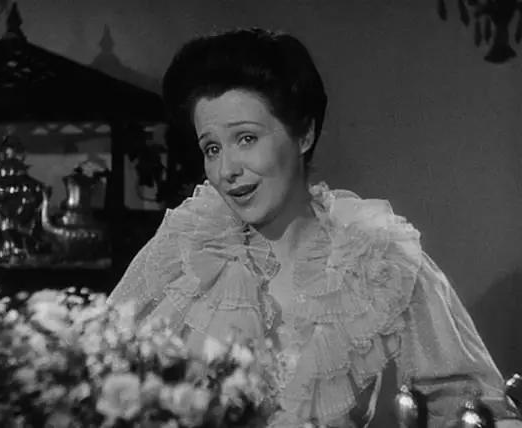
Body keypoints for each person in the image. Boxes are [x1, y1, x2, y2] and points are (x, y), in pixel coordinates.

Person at [108, 28, 521, 427]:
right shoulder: (187, 250)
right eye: (212, 148)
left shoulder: (377, 260)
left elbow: (471, 408)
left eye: (246, 139)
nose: (226, 169)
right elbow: (98, 368)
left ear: (304, 134)